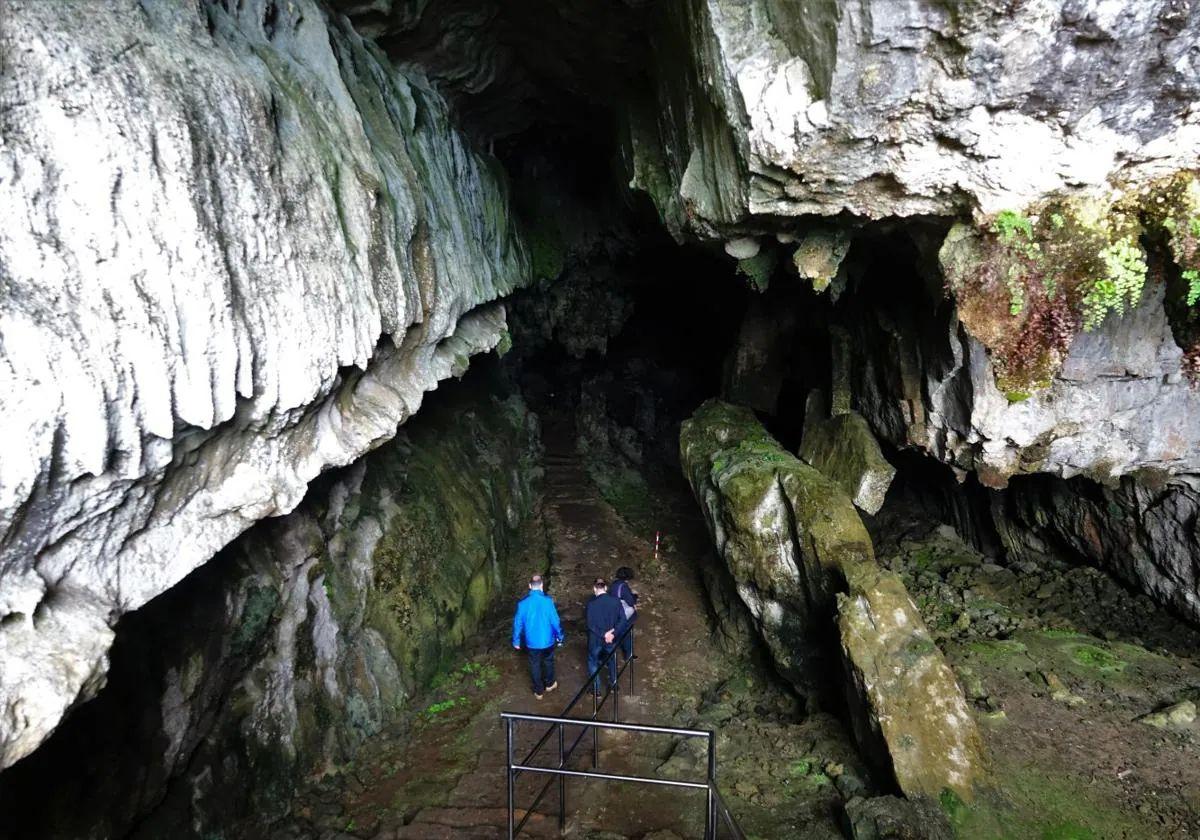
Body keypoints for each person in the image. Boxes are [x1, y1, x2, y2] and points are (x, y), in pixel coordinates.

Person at [512, 574, 564, 700]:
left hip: (532, 642)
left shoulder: (522, 604)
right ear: (541, 585)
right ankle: (550, 684)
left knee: (534, 665)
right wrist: (560, 636)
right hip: (547, 641)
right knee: (548, 661)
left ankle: (538, 691)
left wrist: (516, 640)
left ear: (529, 586)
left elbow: (517, 623)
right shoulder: (548, 601)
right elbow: (555, 621)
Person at [584, 578, 628, 695]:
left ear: (594, 588)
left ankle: (596, 690)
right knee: (612, 659)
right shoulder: (616, 601)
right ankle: (614, 684)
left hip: (596, 639)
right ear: (606, 588)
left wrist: (603, 634)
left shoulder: (591, 604)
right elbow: (623, 619)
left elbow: (590, 624)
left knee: (592, 661)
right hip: (611, 639)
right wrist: (613, 633)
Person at [610, 566, 639, 662]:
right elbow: (630, 601)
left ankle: (608, 655)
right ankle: (628, 655)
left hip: (613, 612)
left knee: (614, 633)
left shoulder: (614, 584)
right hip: (622, 613)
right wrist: (635, 597)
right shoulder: (624, 587)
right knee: (626, 633)